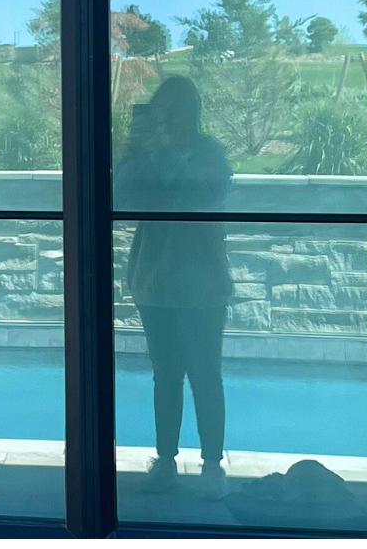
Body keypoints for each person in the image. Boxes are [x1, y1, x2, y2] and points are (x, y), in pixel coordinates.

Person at [113, 74, 234, 496]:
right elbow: (121, 201)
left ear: (188, 114)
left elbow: (205, 196)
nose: (164, 120)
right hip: (157, 284)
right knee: (166, 374)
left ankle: (212, 464)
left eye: (171, 112)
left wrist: (157, 176)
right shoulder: (143, 158)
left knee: (205, 374)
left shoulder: (210, 156)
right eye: (159, 112)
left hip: (200, 283)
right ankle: (165, 461)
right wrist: (133, 152)